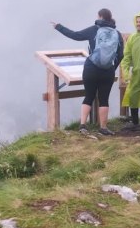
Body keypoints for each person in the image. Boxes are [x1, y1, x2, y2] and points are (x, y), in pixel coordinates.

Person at [51, 8, 123, 136]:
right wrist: (111, 67)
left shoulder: (94, 29)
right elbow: (121, 54)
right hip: (108, 71)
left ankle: (83, 125)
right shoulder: (117, 33)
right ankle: (103, 128)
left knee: (89, 96)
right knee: (104, 99)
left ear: (100, 17)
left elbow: (75, 35)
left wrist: (58, 27)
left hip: (91, 68)